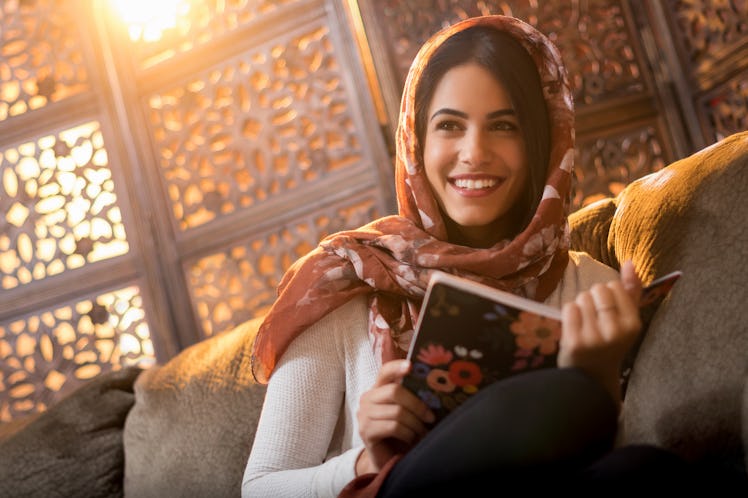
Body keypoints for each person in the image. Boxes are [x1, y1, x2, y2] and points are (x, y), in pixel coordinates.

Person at [241, 14, 691, 497]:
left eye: (504, 126)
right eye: (450, 126)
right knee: (555, 397)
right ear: (417, 140)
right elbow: (261, 487)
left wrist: (599, 376)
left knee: (645, 469)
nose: (474, 152)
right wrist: (368, 460)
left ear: (541, 143)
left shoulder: (597, 295)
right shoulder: (348, 279)